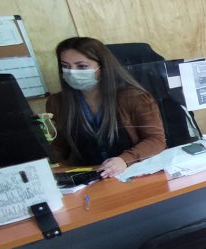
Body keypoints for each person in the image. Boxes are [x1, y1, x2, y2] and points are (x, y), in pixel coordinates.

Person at [46, 37, 166, 178]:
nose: (72, 72)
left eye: (82, 66)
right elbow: (60, 146)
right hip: (89, 174)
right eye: (66, 66)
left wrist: (125, 159)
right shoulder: (57, 102)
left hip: (132, 170)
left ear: (102, 67)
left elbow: (156, 140)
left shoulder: (134, 97)